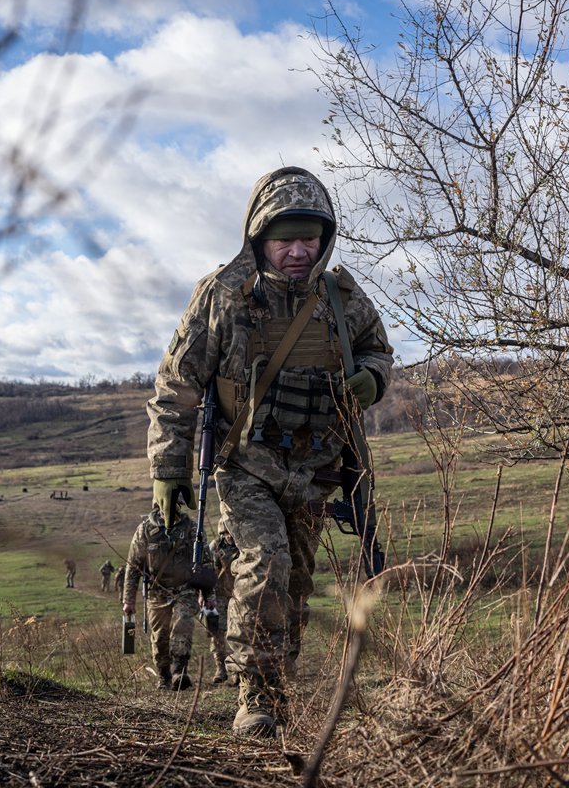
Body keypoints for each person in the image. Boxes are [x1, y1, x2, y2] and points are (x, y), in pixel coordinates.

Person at [146, 166, 394, 737]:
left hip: (316, 468)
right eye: (285, 240)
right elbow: (177, 386)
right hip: (246, 463)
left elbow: (378, 350)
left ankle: (277, 681)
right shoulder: (223, 298)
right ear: (260, 239)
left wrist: (373, 380)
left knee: (296, 582)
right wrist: (167, 468)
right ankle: (255, 694)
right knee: (269, 558)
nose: (298, 252)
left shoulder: (343, 300)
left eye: (310, 239)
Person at [122, 508, 200, 691]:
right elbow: (133, 567)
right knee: (159, 636)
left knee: (184, 623)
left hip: (185, 589)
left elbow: (205, 562)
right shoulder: (145, 530)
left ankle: (179, 670)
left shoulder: (192, 528)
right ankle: (164, 675)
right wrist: (129, 600)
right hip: (157, 591)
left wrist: (208, 594)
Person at [208, 528, 240, 685]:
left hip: (239, 596)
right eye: (226, 532)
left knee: (239, 632)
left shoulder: (244, 545)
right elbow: (206, 570)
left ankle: (238, 670)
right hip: (219, 596)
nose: (230, 536)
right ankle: (220, 668)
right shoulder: (215, 547)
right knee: (217, 632)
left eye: (231, 531)